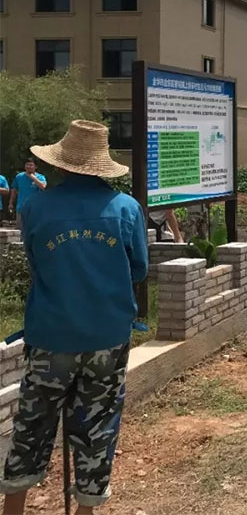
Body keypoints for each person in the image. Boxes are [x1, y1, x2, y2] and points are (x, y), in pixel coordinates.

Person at [0, 120, 147, 514]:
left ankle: (13, 507)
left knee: (32, 425)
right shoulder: (126, 208)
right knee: (98, 427)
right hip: (107, 338)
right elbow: (138, 269)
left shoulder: (35, 207)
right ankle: (86, 509)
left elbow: (36, 264)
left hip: (51, 336)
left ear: (60, 164)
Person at [8, 158, 47, 228]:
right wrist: (11, 203)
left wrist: (33, 177)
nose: (28, 166)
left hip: (35, 208)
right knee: (20, 230)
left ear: (36, 167)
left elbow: (43, 187)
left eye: (31, 165)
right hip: (21, 208)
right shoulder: (19, 176)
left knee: (34, 229)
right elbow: (13, 190)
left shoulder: (40, 177)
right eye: (27, 165)